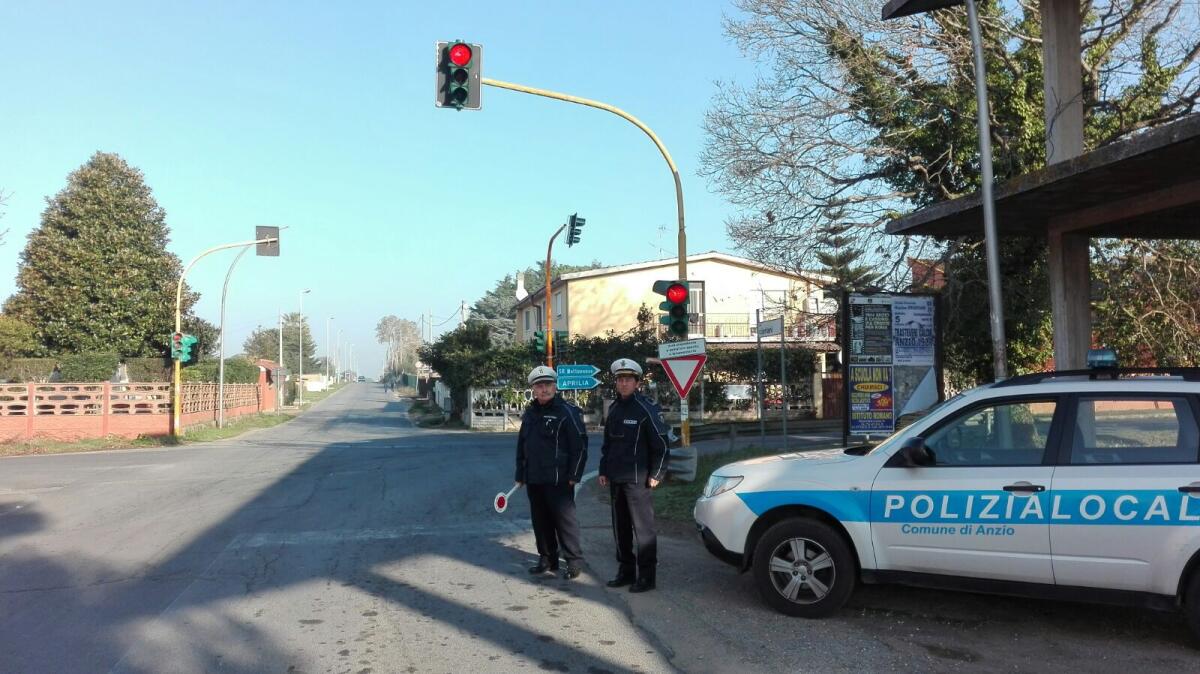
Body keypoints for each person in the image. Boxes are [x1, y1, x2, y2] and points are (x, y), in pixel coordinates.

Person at [598, 358, 670, 593]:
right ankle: (626, 571)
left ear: (637, 382)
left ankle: (647, 577)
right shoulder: (615, 408)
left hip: (639, 479)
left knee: (643, 530)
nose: (624, 383)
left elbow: (661, 443)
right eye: (620, 379)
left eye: (628, 379)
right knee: (621, 528)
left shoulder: (646, 408)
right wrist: (603, 470)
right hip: (617, 478)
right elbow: (608, 444)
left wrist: (658, 473)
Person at [514, 365, 588, 579]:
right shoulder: (530, 413)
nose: (544, 389)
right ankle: (547, 558)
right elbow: (522, 445)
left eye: (548, 384)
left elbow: (580, 446)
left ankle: (573, 561)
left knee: (565, 522)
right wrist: (520, 474)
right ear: (533, 389)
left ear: (555, 386)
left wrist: (575, 475)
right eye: (539, 385)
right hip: (535, 478)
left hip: (560, 479)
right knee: (540, 521)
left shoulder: (567, 412)